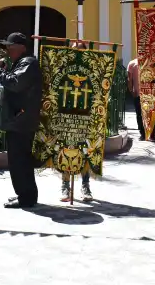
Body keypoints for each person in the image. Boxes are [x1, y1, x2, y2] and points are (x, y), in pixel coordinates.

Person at [0, 32, 42, 209]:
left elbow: (15, 83)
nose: (8, 50)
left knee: (20, 161)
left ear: (21, 48)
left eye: (10, 47)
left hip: (21, 120)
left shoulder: (28, 63)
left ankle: (26, 197)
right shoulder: (20, 63)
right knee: (19, 161)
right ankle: (24, 194)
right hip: (18, 120)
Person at [60, 41, 92, 203]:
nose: (77, 54)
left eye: (80, 51)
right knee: (66, 150)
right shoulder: (64, 70)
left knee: (85, 152)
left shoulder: (91, 71)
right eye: (74, 51)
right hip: (67, 117)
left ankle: (85, 185)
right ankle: (65, 185)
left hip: (85, 118)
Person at [126, 56, 155, 143]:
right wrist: (132, 91)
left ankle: (146, 134)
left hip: (146, 94)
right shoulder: (149, 62)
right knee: (149, 114)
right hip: (147, 94)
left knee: (144, 114)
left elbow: (129, 80)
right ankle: (150, 134)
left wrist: (132, 91)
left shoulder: (133, 63)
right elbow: (129, 79)